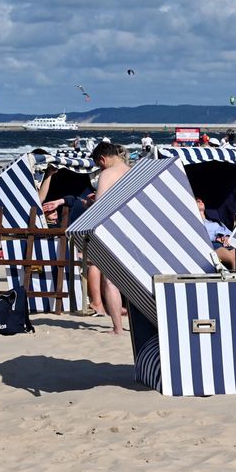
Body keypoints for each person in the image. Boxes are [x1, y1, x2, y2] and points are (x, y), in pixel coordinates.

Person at [90, 141, 132, 333]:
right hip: (136, 229)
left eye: (99, 165)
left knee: (110, 280)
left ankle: (118, 328)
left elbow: (100, 205)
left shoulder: (107, 173)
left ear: (103, 159)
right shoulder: (133, 171)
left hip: (115, 230)